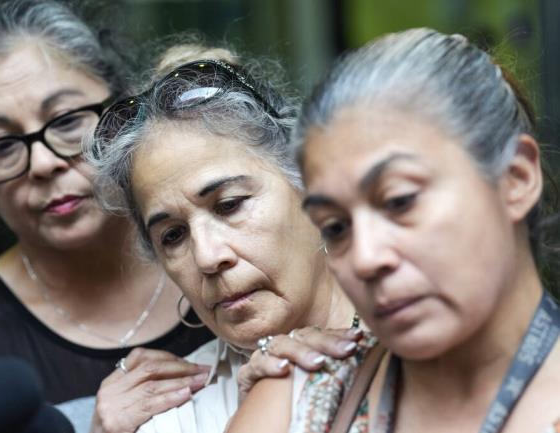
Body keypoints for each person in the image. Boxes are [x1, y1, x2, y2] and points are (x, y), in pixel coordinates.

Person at [229, 28, 560, 433]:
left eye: (400, 201)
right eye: (335, 227)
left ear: (516, 180)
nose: (367, 258)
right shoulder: (296, 404)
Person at [0, 1, 216, 432]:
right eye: (1, 146)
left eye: (68, 120)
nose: (42, 163)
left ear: (126, 116)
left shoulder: (226, 256)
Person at [85, 43, 364, 433]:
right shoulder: (175, 419)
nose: (207, 257)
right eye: (173, 235)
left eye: (229, 205)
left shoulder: (428, 329)